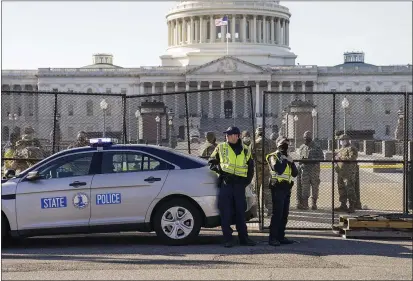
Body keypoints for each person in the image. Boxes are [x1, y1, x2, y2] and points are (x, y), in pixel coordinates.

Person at [209, 126, 256, 248]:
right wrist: (221, 173)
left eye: (230, 134)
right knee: (226, 213)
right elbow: (212, 163)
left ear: (237, 136)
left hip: (239, 185)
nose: (227, 136)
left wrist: (245, 182)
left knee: (241, 212)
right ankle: (228, 239)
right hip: (226, 184)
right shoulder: (221, 147)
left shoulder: (246, 150)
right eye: (227, 135)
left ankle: (244, 238)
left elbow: (251, 168)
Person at [266, 136, 298, 246]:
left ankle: (281, 236)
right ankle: (273, 238)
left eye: (287, 144)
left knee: (284, 214)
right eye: (283, 144)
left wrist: (292, 162)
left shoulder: (288, 157)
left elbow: (295, 173)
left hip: (286, 188)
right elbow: (278, 170)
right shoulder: (273, 156)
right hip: (277, 188)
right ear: (278, 144)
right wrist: (285, 160)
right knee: (277, 214)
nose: (286, 146)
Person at [297, 131, 324, 210]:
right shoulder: (302, 147)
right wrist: (301, 161)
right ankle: (305, 204)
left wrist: (311, 160)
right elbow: (300, 158)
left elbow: (321, 158)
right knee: (305, 187)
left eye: (307, 138)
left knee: (315, 187)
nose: (305, 139)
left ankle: (314, 204)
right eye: (304, 138)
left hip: (314, 170)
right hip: (304, 170)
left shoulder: (316, 147)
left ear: (310, 138)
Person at [334, 134, 358, 213]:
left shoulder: (351, 148)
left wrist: (341, 158)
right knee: (341, 189)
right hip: (340, 172)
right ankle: (343, 205)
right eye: (340, 140)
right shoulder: (340, 150)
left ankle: (352, 206)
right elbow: (336, 159)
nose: (341, 141)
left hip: (348, 173)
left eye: (342, 140)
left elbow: (352, 158)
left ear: (347, 140)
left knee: (350, 189)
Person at [252, 126, 272, 216]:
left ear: (257, 133)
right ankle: (269, 209)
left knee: (256, 189)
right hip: (266, 168)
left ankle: (255, 209)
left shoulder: (255, 142)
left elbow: (251, 155)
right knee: (266, 189)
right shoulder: (268, 142)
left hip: (258, 168)